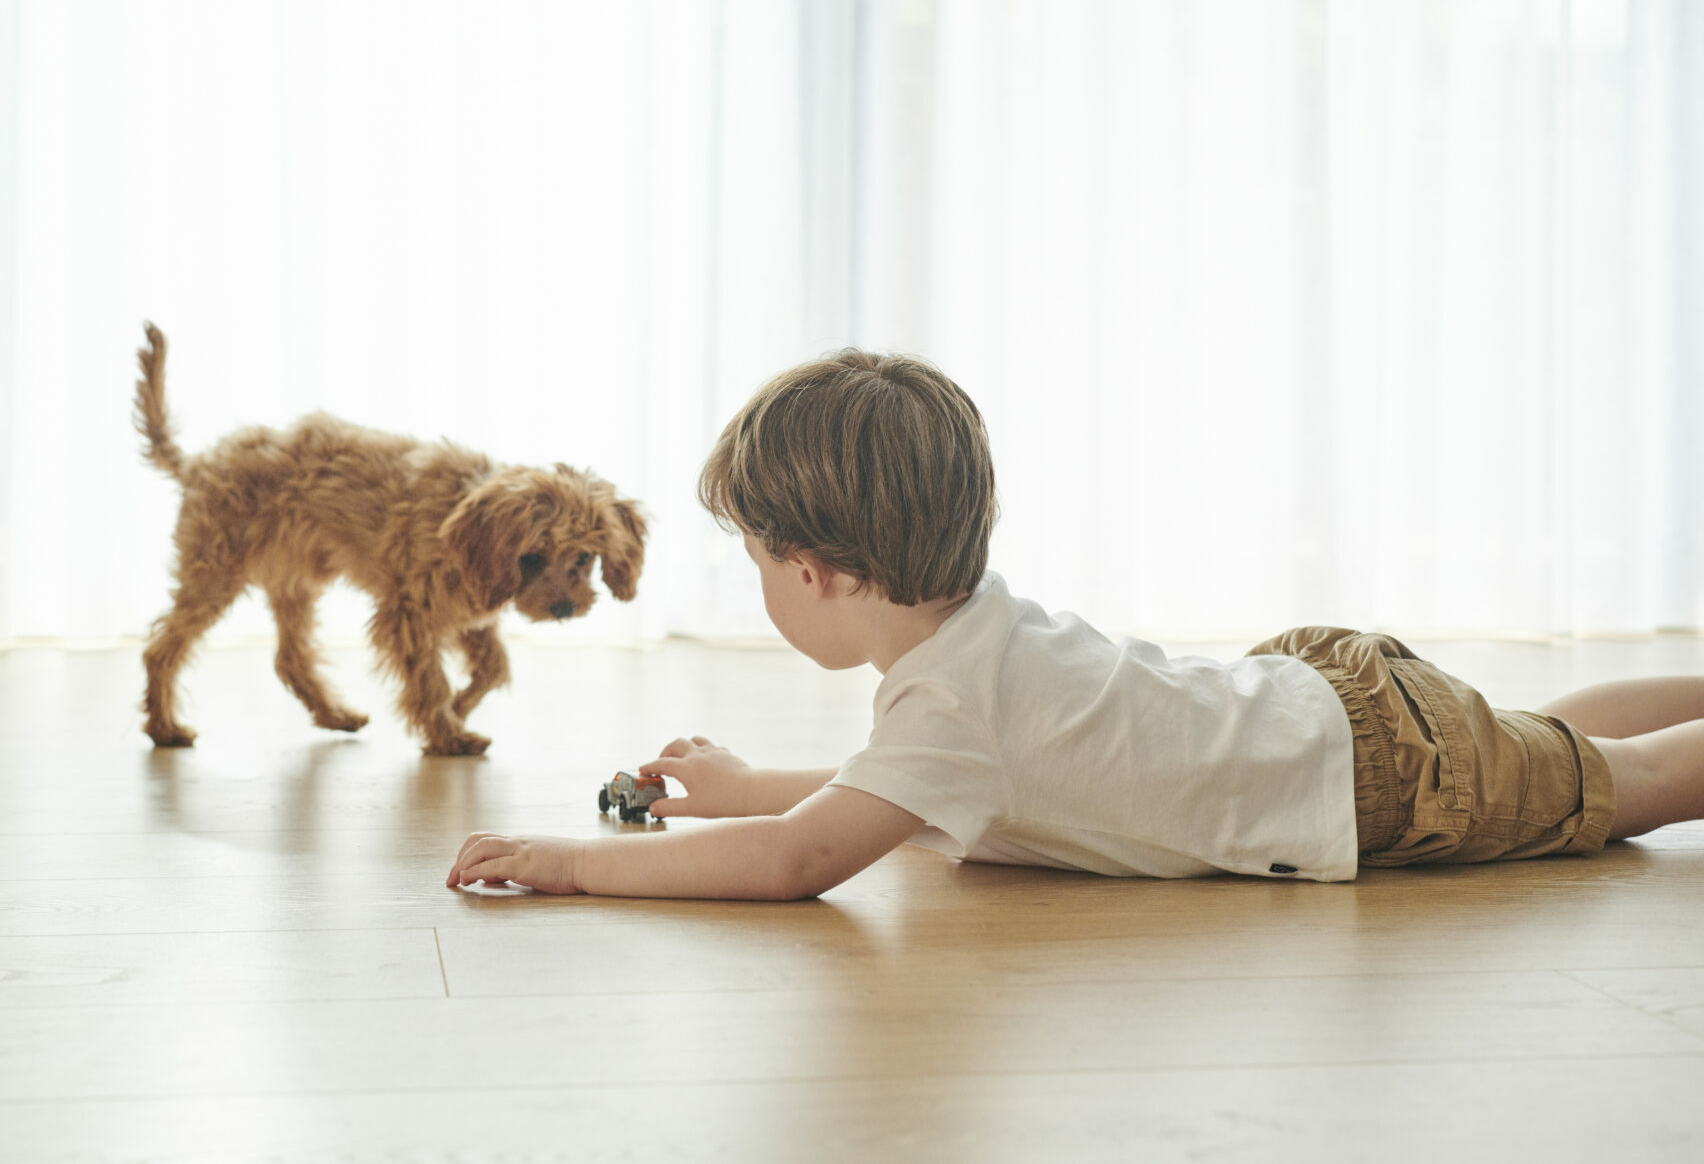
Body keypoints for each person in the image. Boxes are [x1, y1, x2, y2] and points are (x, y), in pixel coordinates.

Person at [446, 350, 1704, 898]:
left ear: (821, 570)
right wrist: (734, 787)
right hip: (1332, 709)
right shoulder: (974, 643)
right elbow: (896, 790)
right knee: (1541, 742)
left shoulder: (949, 704)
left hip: (1364, 778)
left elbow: (799, 863)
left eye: (759, 562)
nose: (760, 589)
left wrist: (574, 862)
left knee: (1623, 786)